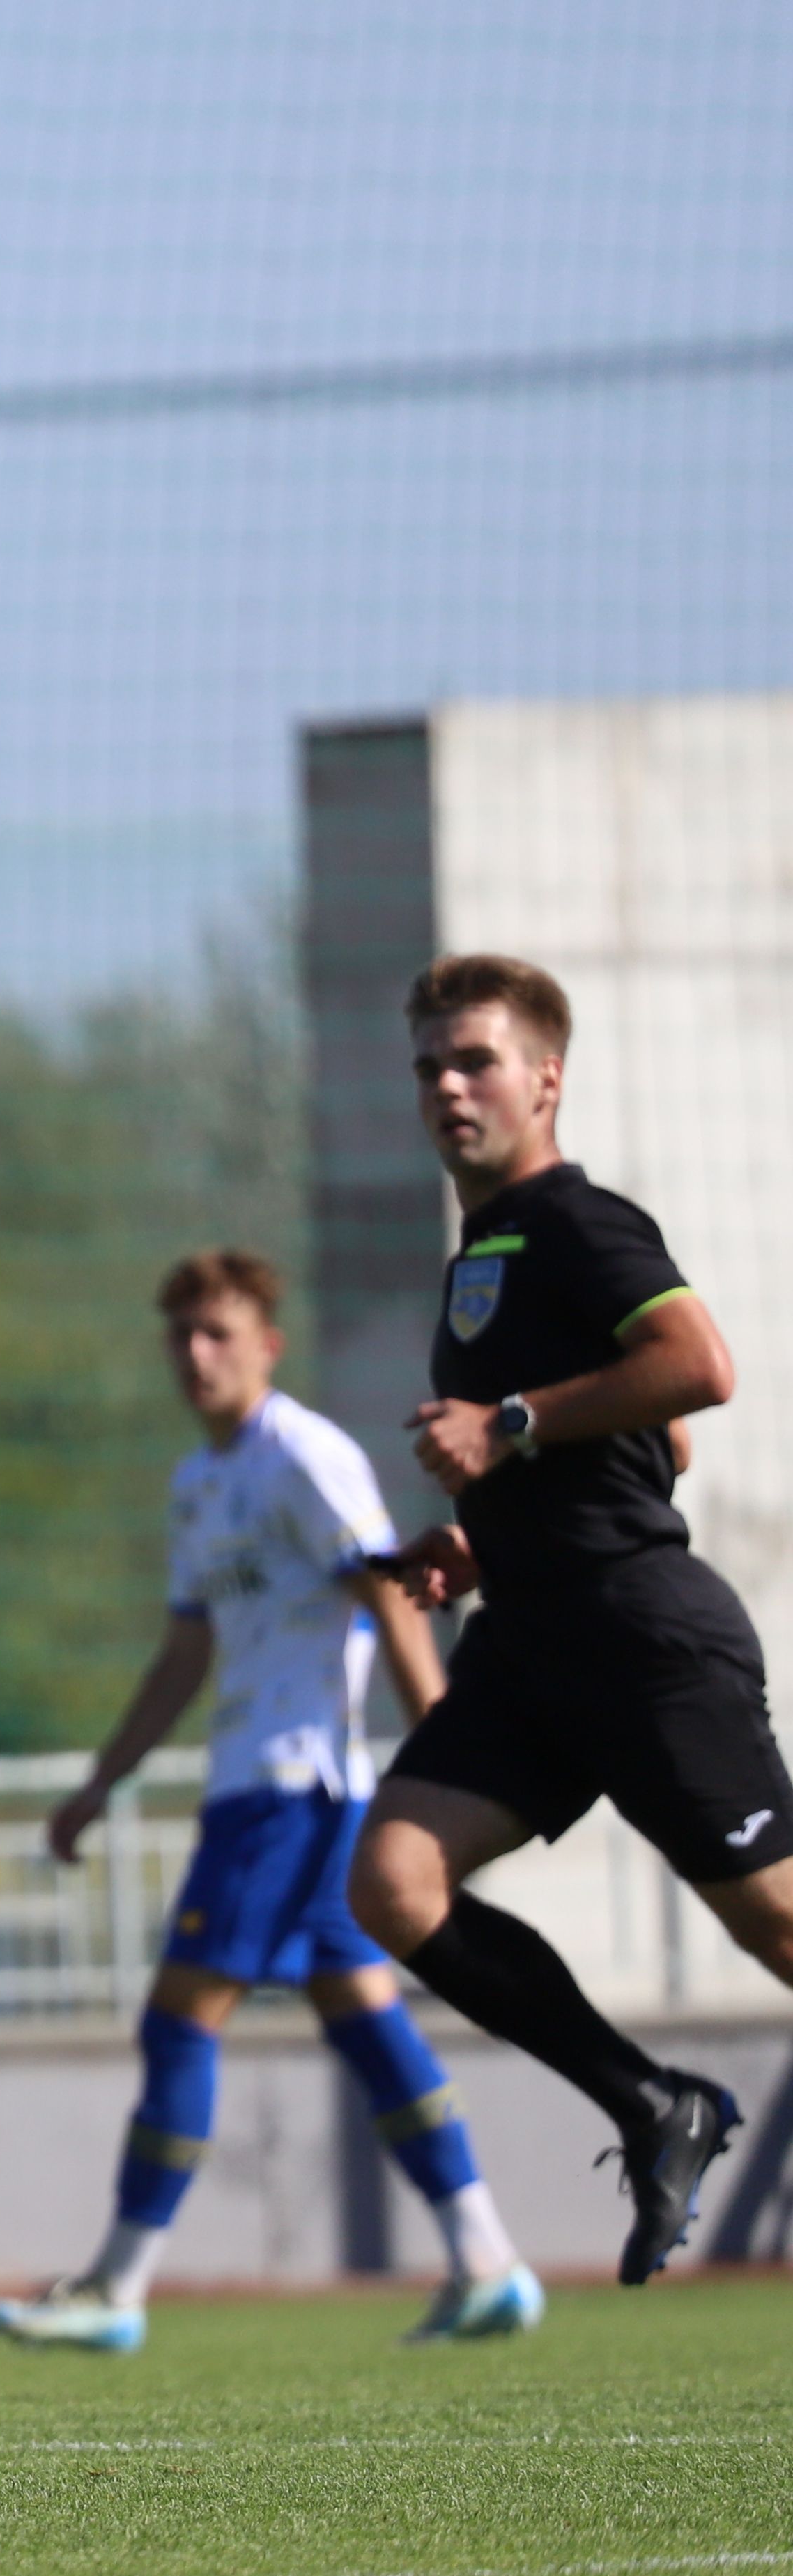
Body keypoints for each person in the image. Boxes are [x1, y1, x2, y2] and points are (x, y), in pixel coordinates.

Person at [0, 1249, 539, 2352]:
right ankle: (489, 2263)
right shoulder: (200, 1482)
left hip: (292, 1788)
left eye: (217, 1333)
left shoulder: (302, 1454)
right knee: (363, 2016)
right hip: (266, 1785)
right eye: (180, 1335)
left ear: (266, 1344)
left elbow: (389, 1594)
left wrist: (447, 1748)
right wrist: (104, 1781)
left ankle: (117, 2289)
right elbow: (188, 1649)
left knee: (179, 2018)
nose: (195, 1354)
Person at [339, 952, 783, 2281]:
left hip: (642, 1636)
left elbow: (698, 1372)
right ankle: (655, 2105)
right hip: (532, 1644)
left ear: (547, 1079)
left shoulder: (580, 1223)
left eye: (473, 1060)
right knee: (393, 1881)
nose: (447, 1087)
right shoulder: (485, 1253)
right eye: (428, 1065)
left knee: (776, 1928)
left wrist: (513, 1423)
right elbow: (657, 1448)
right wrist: (481, 1545)